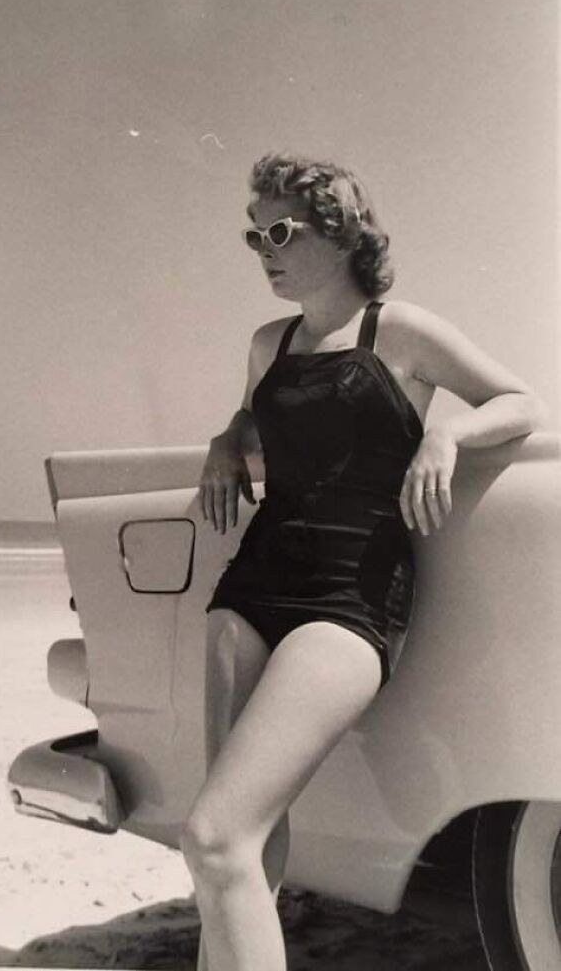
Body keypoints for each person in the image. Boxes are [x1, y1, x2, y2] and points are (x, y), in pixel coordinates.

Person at [180, 152, 546, 971]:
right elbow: (260, 423)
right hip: (252, 585)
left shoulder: (400, 330)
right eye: (253, 234)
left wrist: (445, 431)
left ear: (341, 232)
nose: (261, 248)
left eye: (279, 230)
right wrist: (222, 441)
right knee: (245, 846)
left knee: (212, 839)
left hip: (349, 596)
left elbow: (519, 401)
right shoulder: (268, 342)